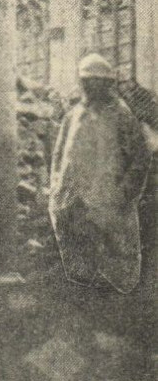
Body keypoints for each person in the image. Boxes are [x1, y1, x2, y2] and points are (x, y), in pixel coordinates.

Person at [49, 53, 152, 293]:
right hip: (73, 203)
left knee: (114, 273)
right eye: (86, 81)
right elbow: (59, 155)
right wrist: (56, 187)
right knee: (78, 272)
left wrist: (124, 193)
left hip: (109, 205)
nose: (89, 86)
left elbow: (140, 158)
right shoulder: (72, 116)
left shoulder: (122, 115)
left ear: (107, 84)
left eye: (96, 82)